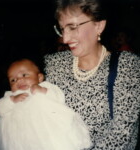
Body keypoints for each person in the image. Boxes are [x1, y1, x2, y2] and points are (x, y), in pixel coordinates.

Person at [44, 0, 140, 149]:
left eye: (72, 27)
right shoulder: (53, 65)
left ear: (99, 26)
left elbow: (121, 136)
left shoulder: (128, 67)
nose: (65, 38)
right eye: (62, 29)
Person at [0, 59, 92, 150]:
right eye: (13, 80)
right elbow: (0, 109)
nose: (19, 80)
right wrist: (12, 100)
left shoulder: (45, 87)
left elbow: (59, 98)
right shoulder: (11, 96)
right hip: (20, 139)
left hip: (46, 133)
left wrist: (43, 91)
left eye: (24, 75)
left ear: (39, 77)